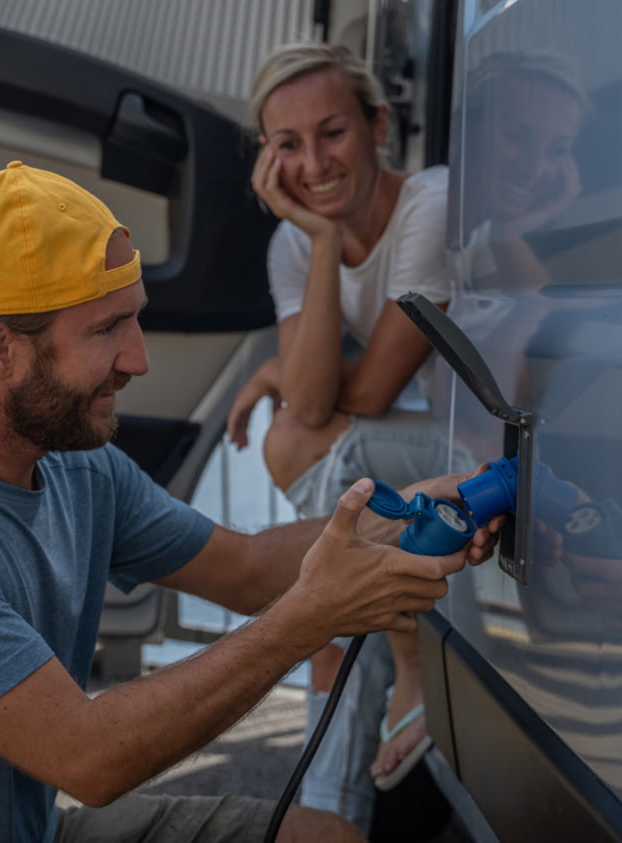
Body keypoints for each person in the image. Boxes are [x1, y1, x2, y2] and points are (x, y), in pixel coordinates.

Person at [0, 161, 500, 843]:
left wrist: (409, 510)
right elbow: (87, 757)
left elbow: (244, 568)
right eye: (106, 328)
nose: (138, 357)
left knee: (324, 837)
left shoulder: (76, 468)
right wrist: (313, 615)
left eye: (134, 317)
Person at [223, 42, 460, 832]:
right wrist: (321, 242)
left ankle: (403, 661)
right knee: (299, 451)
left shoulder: (431, 202)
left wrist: (278, 375)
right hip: (417, 453)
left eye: (333, 133)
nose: (314, 163)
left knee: (311, 452)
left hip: (482, 445)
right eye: (287, 144)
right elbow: (314, 396)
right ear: (266, 159)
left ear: (379, 124)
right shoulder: (293, 243)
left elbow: (361, 392)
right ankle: (331, 815)